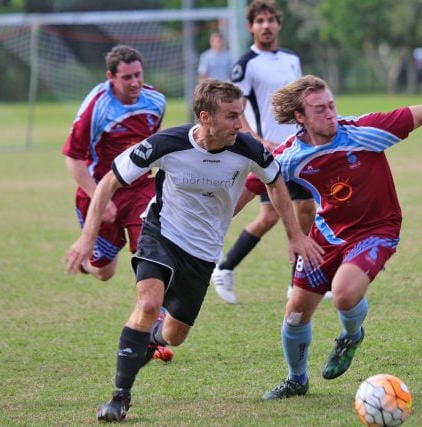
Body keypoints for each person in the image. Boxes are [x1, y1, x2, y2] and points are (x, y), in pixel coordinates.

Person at [62, 79, 323, 422]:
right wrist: (86, 237)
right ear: (205, 117)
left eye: (241, 115)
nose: (239, 124)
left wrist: (294, 235)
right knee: (148, 303)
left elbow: (275, 183)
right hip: (162, 233)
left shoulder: (248, 149)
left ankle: (150, 339)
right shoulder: (167, 143)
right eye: (231, 116)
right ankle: (119, 397)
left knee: (175, 335)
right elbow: (110, 181)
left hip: (203, 251)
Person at [242, 75, 422, 400]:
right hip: (326, 234)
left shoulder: (364, 132)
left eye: (331, 105)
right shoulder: (291, 156)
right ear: (300, 117)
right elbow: (256, 184)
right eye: (319, 109)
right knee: (295, 312)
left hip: (377, 229)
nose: (330, 113)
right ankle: (296, 380)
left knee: (344, 294)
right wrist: (215, 223)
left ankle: (351, 335)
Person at [211, 0, 320, 304]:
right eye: (260, 21)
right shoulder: (245, 64)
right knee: (260, 214)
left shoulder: (291, 60)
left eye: (271, 19)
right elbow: (237, 105)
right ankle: (222, 265)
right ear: (250, 27)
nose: (266, 25)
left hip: (297, 149)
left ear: (279, 25)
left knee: (304, 212)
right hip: (265, 153)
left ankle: (296, 284)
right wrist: (254, 137)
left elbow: (299, 102)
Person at [62, 45, 166, 282]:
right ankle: (88, 265)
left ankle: (155, 311)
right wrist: (101, 196)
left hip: (140, 188)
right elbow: (73, 158)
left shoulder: (156, 100)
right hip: (100, 189)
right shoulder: (96, 107)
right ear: (111, 77)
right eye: (127, 77)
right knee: (104, 272)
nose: (134, 83)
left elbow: (153, 140)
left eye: (138, 75)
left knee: (151, 249)